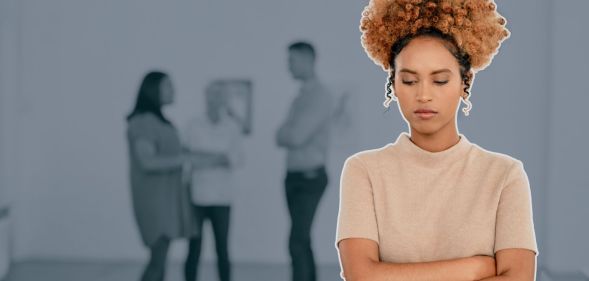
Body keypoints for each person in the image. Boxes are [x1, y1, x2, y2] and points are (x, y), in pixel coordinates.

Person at [336, 1, 538, 281]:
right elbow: (361, 275)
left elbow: (518, 278)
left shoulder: (504, 175)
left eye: (440, 81)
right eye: (409, 81)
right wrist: (476, 267)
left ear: (464, 83)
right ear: (393, 85)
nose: (423, 95)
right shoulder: (364, 170)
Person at [126, 71, 223, 281]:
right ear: (154, 91)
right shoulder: (143, 122)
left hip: (166, 200)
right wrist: (187, 160)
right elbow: (148, 161)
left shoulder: (161, 122)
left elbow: (180, 152)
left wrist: (209, 157)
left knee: (160, 259)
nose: (173, 91)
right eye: (168, 86)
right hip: (154, 202)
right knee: (157, 260)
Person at [276, 41, 334, 281]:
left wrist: (287, 133)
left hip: (310, 178)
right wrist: (287, 133)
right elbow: (279, 136)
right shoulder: (301, 96)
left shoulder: (320, 96)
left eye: (292, 60)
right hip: (294, 177)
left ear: (308, 60)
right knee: (302, 239)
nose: (288, 65)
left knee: (296, 241)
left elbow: (295, 136)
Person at [182, 81, 248, 281]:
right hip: (197, 196)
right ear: (205, 97)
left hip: (222, 198)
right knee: (194, 247)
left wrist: (203, 158)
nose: (214, 99)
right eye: (211, 95)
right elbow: (187, 156)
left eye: (219, 95)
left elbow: (236, 159)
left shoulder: (232, 127)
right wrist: (218, 157)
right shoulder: (193, 124)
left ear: (224, 99)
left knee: (222, 248)